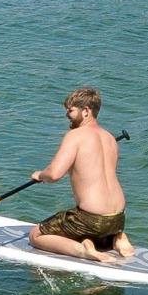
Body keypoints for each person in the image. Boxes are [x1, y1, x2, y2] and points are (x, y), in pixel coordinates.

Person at [27, 87, 135, 263]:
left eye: (70, 110)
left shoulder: (75, 136)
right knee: (93, 231)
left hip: (91, 219)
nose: (67, 115)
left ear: (86, 111)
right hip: (118, 218)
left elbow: (54, 174)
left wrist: (40, 175)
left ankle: (83, 251)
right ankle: (116, 239)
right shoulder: (109, 138)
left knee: (36, 235)